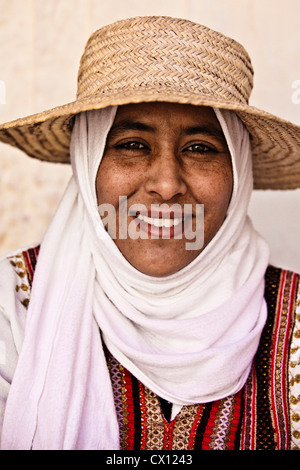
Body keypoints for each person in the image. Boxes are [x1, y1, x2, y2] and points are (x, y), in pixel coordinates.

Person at [0, 15, 299, 451]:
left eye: (200, 149)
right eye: (132, 145)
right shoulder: (12, 307)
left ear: (239, 172)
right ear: (88, 165)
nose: (166, 183)